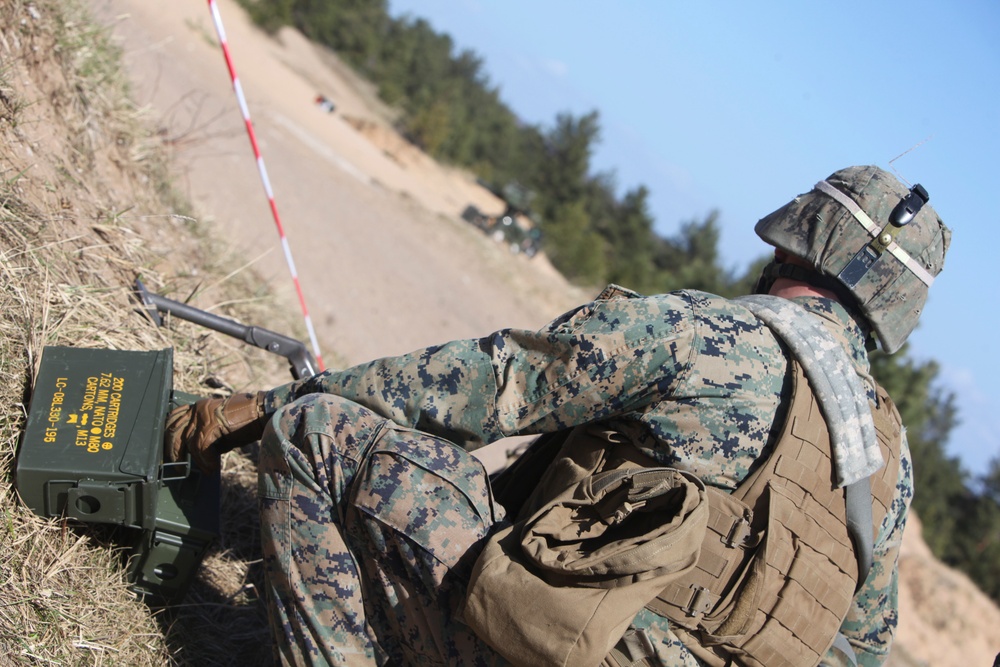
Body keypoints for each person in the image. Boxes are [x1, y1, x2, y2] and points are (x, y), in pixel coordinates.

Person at [165, 165, 951, 666]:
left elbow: (480, 388)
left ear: (791, 247)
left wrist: (258, 410)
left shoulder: (713, 335)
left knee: (319, 435)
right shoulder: (889, 464)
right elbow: (860, 648)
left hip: (573, 646)